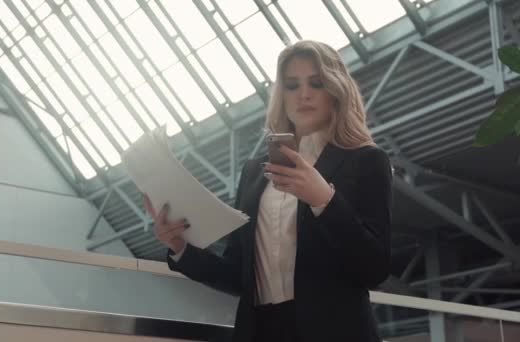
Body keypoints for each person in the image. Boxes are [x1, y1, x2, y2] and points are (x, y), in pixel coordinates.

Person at [143, 40, 392, 342]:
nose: (304, 93)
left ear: (336, 91)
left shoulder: (365, 160)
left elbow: (375, 268)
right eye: (291, 85)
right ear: (281, 96)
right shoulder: (254, 172)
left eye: (317, 82)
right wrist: (180, 248)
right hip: (260, 330)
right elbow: (238, 275)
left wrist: (324, 200)